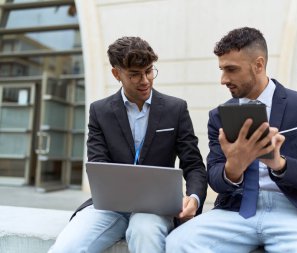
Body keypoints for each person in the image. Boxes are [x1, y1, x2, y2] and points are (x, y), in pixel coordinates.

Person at [166, 27, 297, 253]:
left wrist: (280, 164)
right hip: (236, 211)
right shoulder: (218, 116)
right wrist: (233, 169)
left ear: (258, 65)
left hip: (293, 212)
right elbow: (215, 179)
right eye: (221, 69)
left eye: (231, 69)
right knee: (177, 243)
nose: (223, 79)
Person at [49, 36, 207, 253]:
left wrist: (195, 199)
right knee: (67, 247)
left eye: (149, 71)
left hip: (155, 208)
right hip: (109, 207)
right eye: (134, 74)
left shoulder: (175, 108)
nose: (145, 80)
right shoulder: (99, 111)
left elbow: (194, 164)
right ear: (117, 74)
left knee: (144, 232)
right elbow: (98, 164)